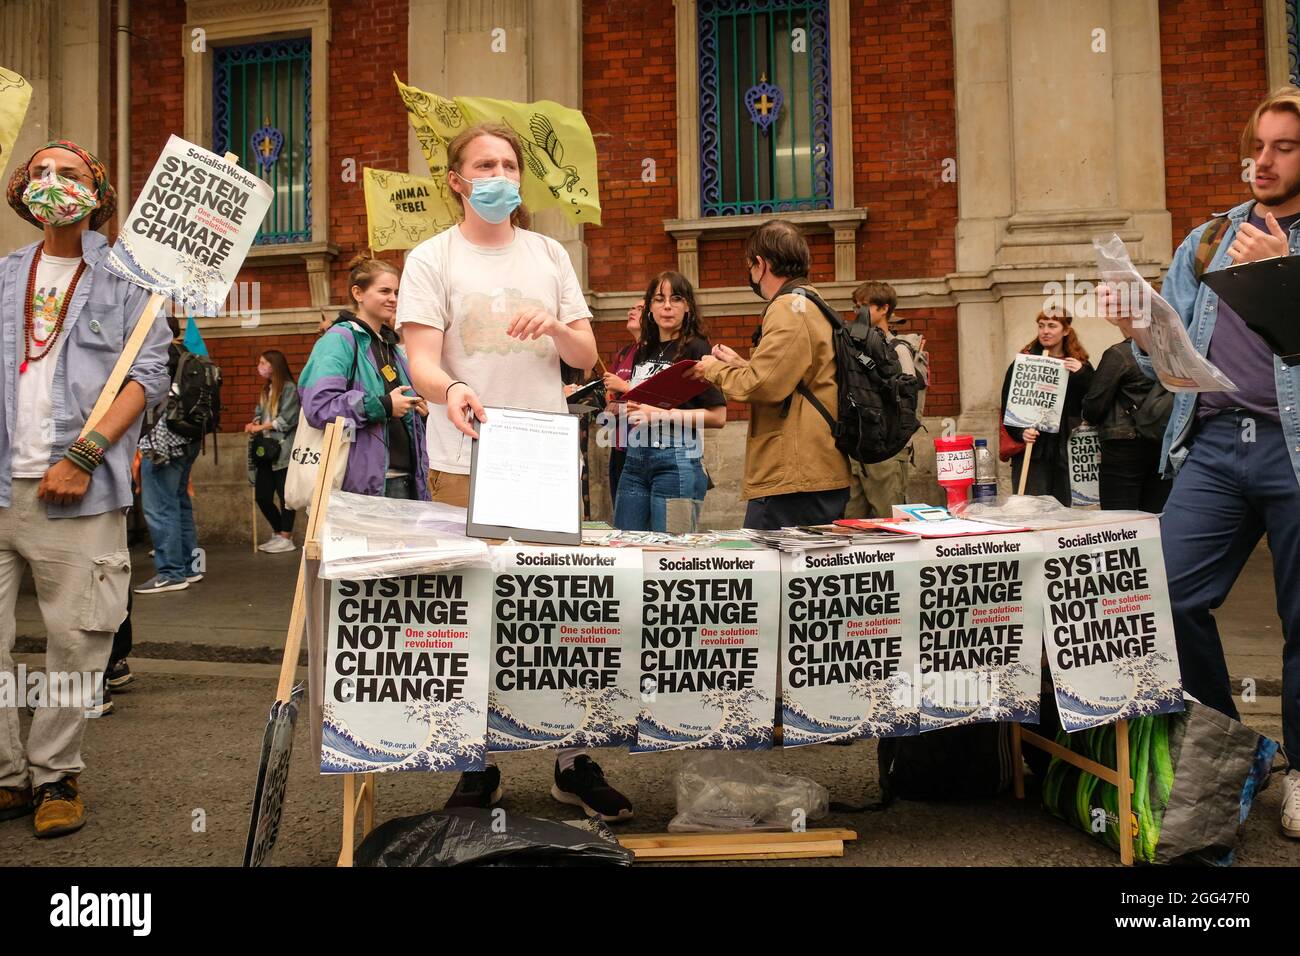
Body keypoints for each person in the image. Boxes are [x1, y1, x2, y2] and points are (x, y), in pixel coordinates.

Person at [399, 122, 631, 822]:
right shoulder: (431, 258)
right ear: (458, 181)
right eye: (485, 165)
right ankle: (478, 763)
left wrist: (554, 326)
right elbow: (421, 361)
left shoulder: (548, 253)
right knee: (473, 615)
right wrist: (451, 392)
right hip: (464, 459)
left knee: (557, 611)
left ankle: (571, 760)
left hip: (541, 457)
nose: (499, 175)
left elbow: (589, 356)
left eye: (509, 164)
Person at [1103, 85, 1300, 839]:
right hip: (1217, 445)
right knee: (1166, 591)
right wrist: (1140, 328)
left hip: (1292, 447)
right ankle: (1227, 744)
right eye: (1259, 146)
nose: (1264, 160)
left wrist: (1286, 270)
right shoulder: (1209, 240)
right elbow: (1169, 365)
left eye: (1284, 147)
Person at [0, 140, 171, 838]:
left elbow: (147, 375)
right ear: (21, 191)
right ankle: (7, 776)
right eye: (39, 173)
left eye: (66, 174)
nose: (51, 184)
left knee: (75, 640)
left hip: (78, 490)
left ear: (95, 192)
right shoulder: (6, 273)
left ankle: (54, 774)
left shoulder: (130, 278)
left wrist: (85, 452)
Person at [691, 219, 850, 530]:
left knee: (771, 571)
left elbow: (763, 385)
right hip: (812, 468)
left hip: (792, 474)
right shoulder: (812, 302)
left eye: (751, 266)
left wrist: (714, 369)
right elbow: (791, 376)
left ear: (761, 264)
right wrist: (741, 365)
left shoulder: (788, 307)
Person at [299, 256, 430, 501]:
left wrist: (418, 410)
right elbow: (318, 406)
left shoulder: (389, 346)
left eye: (396, 292)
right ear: (358, 293)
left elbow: (398, 409)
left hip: (407, 481)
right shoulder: (338, 340)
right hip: (364, 488)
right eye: (384, 291)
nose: (393, 298)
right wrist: (383, 405)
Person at [613, 272, 726, 533]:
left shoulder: (697, 348)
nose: (667, 306)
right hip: (634, 459)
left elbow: (718, 417)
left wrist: (662, 414)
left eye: (676, 298)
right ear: (649, 308)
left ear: (687, 306)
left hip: (676, 462)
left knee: (672, 554)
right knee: (628, 548)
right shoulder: (643, 349)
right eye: (659, 299)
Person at [133, 314, 205, 594]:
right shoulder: (189, 354)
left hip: (162, 441)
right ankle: (189, 567)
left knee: (159, 507)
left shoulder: (158, 356)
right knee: (178, 503)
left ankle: (171, 573)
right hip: (189, 438)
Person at [842, 280, 927, 518]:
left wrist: (897, 444)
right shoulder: (852, 347)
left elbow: (908, 402)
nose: (858, 312)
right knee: (850, 526)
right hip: (857, 450)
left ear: (884, 308)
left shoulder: (898, 349)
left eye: (865, 306)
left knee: (889, 523)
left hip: (887, 452)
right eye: (856, 306)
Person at [999, 310, 1094, 507]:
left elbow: (1094, 402)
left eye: (1052, 326)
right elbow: (1009, 405)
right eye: (1041, 325)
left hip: (1067, 450)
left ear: (1066, 330)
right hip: (1033, 450)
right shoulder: (1023, 364)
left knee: (1065, 510)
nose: (1045, 331)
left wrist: (1083, 375)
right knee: (1031, 508)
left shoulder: (1079, 365)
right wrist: (1020, 432)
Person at [1080, 337, 1171, 512]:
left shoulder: (1120, 354)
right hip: (1161, 441)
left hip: (1123, 443)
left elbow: (1094, 407)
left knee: (1120, 521)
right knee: (1154, 517)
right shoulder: (1169, 351)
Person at [245, 350, 300, 551]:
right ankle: (278, 532)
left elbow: (288, 420)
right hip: (265, 449)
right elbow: (260, 413)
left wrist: (261, 427)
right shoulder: (265, 389)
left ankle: (286, 536)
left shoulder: (289, 389)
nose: (260, 366)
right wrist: (255, 423)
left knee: (285, 495)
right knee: (262, 496)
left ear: (273, 365)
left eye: (263, 362)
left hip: (283, 449)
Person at [601, 301, 642, 504]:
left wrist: (624, 387)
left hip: (642, 444)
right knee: (620, 507)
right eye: (631, 307)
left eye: (640, 309)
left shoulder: (653, 352)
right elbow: (610, 397)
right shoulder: (624, 353)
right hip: (619, 444)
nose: (631, 311)